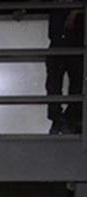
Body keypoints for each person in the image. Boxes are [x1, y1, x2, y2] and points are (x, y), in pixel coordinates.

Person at [47, 6, 84, 135]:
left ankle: (68, 119)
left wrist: (74, 13)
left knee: (75, 83)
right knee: (55, 83)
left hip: (74, 40)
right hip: (62, 40)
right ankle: (62, 119)